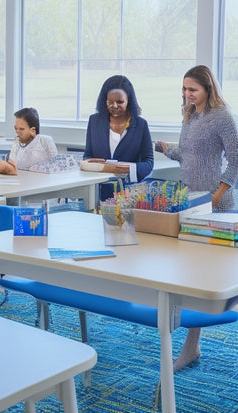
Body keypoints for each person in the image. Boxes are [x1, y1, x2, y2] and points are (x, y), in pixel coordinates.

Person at [155, 65, 238, 372]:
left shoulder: (222, 117)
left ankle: (191, 346)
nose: (188, 95)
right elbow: (190, 155)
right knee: (190, 273)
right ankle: (193, 346)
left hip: (217, 204)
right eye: (184, 89)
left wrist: (218, 193)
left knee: (208, 276)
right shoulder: (190, 116)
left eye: (194, 90)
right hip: (190, 201)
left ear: (208, 89)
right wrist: (168, 150)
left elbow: (237, 159)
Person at [84, 75, 154, 183]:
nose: (114, 106)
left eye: (120, 102)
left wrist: (129, 168)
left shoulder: (141, 125)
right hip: (98, 186)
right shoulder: (94, 121)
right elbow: (87, 156)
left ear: (128, 101)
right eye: (110, 102)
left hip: (128, 190)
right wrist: (92, 164)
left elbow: (148, 163)